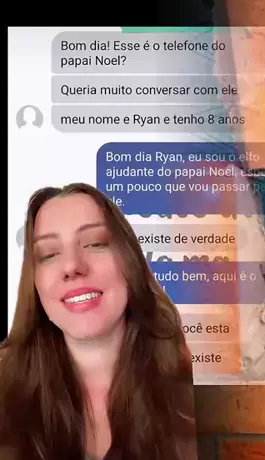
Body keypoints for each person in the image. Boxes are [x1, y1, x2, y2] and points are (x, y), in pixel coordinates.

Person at [0, 183, 197, 460]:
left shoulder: (201, 389)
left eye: (95, 243)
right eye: (49, 254)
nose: (72, 267)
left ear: (130, 261)